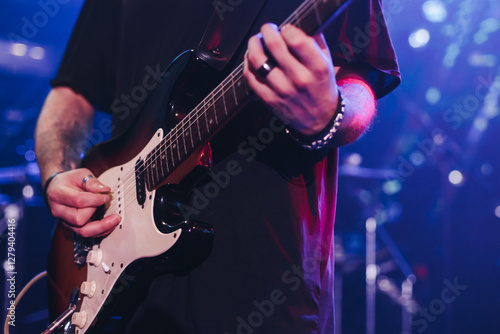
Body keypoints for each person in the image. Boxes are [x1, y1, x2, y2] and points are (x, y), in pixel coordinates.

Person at [35, 0, 400, 333]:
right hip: (122, 288)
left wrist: (329, 113)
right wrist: (56, 173)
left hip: (265, 287)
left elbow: (358, 81)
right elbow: (71, 92)